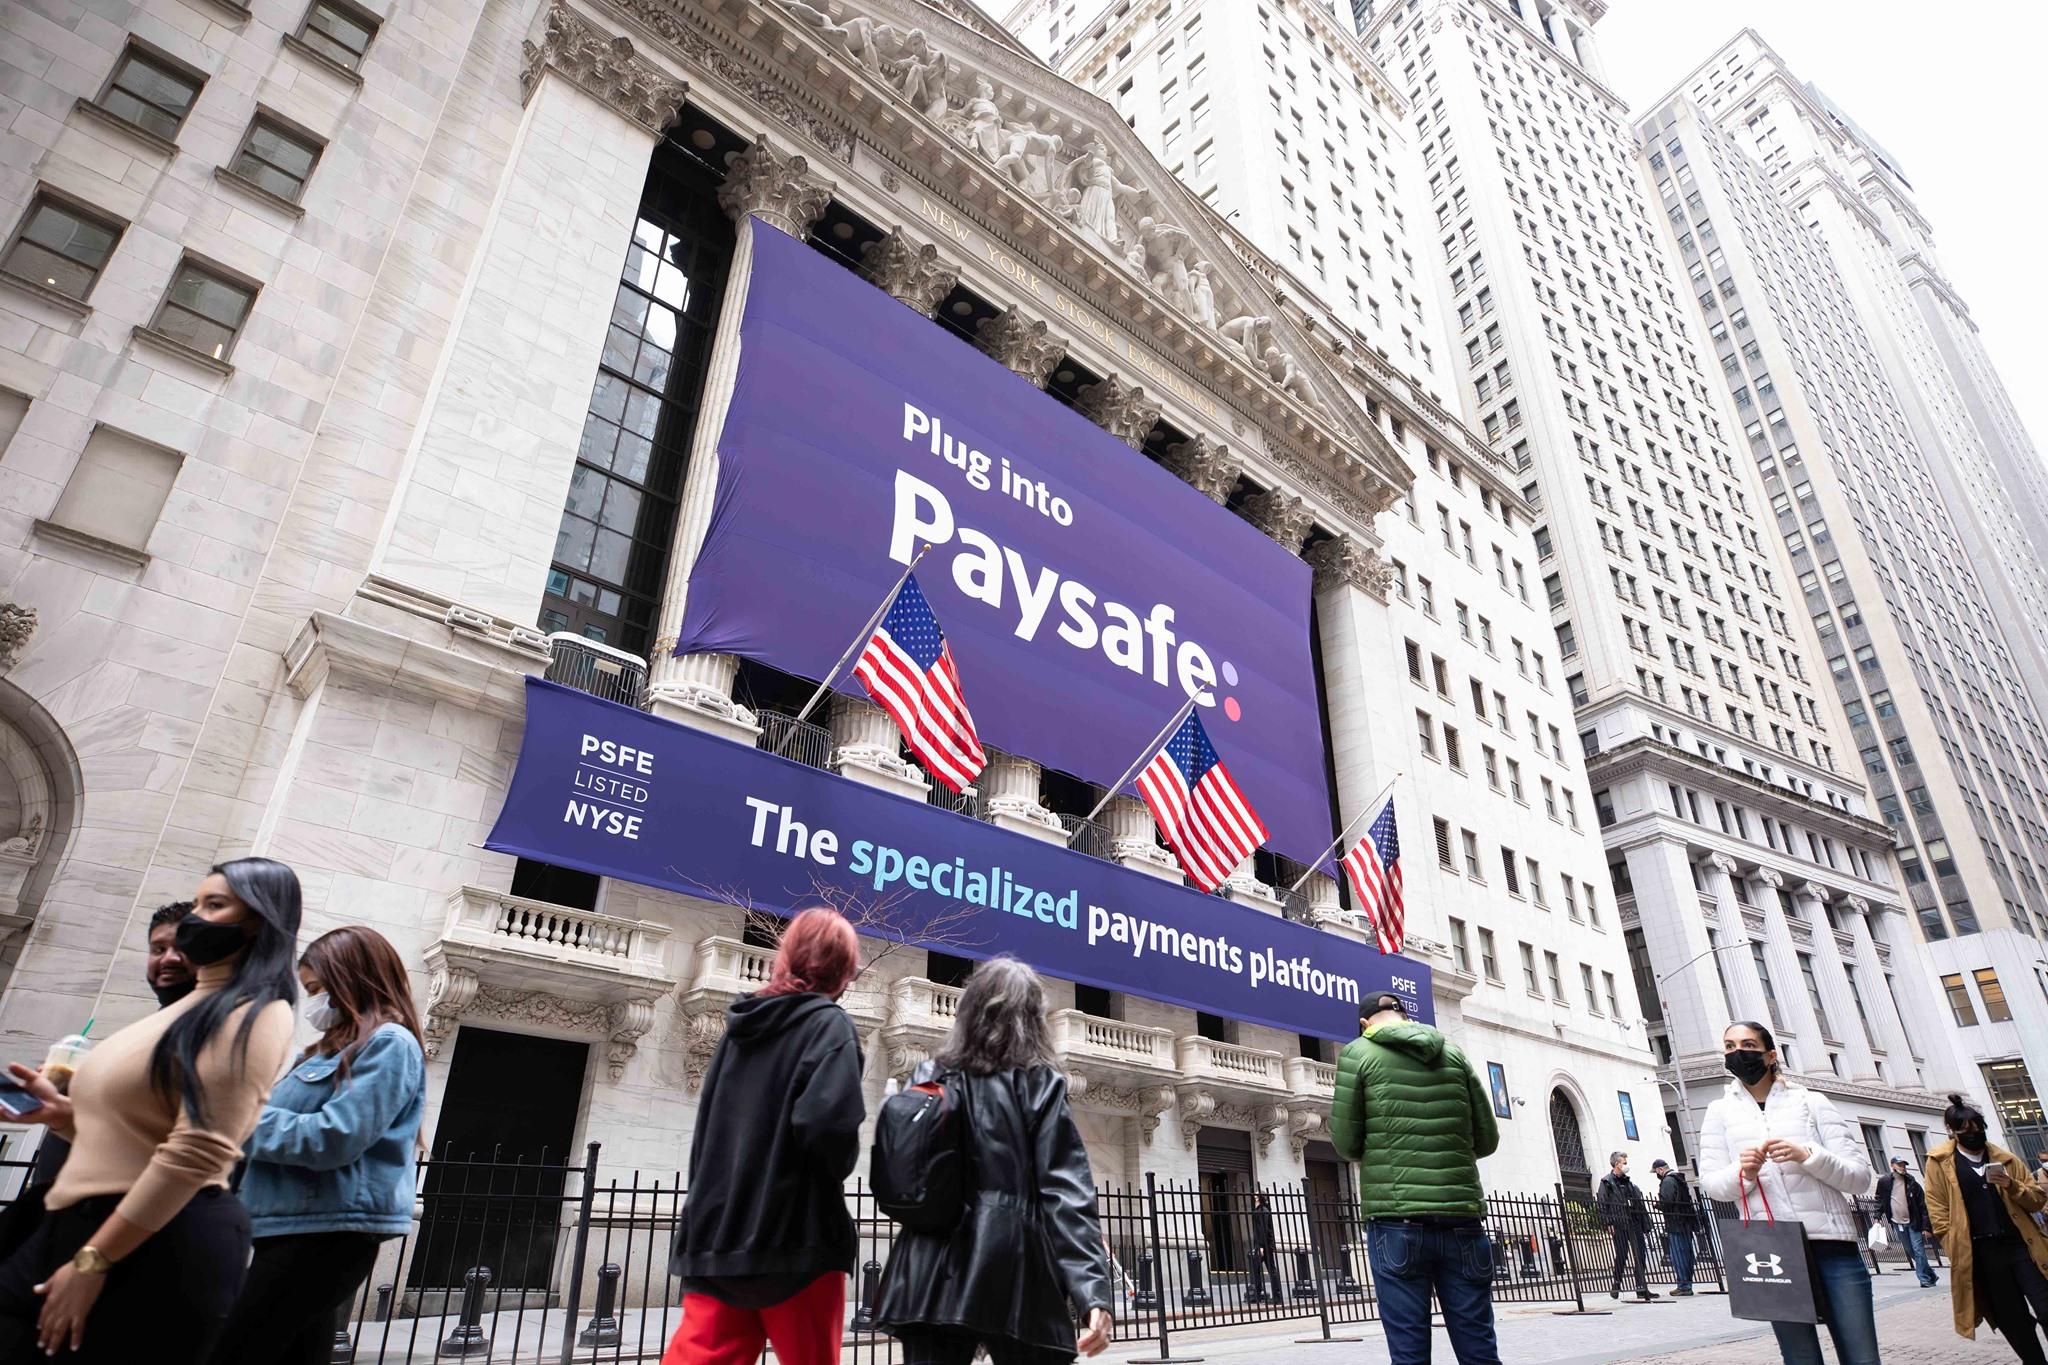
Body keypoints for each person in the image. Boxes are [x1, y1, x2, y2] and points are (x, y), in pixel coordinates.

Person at [0, 859, 300, 1362]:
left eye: (214, 905)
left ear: (258, 919)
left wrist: (94, 1262)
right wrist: (62, 1116)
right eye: (197, 902)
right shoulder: (185, 1010)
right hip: (78, 1225)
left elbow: (197, 1150)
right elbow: (140, 1135)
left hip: (152, 1244)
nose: (193, 921)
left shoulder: (255, 1011)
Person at [874, 955, 1114, 1364]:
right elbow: (1066, 1192)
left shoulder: (930, 1075)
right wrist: (1091, 1290)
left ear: (969, 1011)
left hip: (928, 1271)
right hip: (1014, 1270)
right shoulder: (1039, 1083)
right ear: (1033, 1019)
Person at [209, 926, 429, 1365]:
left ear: (351, 980)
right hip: (289, 1226)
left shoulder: (389, 1043)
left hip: (326, 1233)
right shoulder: (318, 1054)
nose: (312, 1002)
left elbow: (335, 1138)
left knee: (230, 1351)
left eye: (317, 989)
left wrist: (241, 1114)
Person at [666, 908, 868, 1365]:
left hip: (718, 1236)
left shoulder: (738, 1027)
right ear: (842, 970)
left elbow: (709, 1126)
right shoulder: (829, 1026)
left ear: (788, 956)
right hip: (796, 1241)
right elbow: (829, 1130)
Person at [0, 902, 199, 1262]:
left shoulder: (207, 1034)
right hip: (63, 1212)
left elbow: (170, 1153)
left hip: (112, 1233)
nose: (167, 959)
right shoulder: (151, 1028)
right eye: (157, 949)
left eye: (182, 949)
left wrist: (93, 1263)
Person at [1330, 990, 1501, 1365]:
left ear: (1364, 1024)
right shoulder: (1453, 1053)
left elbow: (1344, 1142)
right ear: (1405, 1016)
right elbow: (1487, 1139)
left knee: (1409, 1352)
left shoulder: (1358, 1053)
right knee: (1479, 1348)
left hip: (1397, 1221)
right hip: (1463, 1221)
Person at [1698, 1020, 1876, 1365]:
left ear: (1770, 1054)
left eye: (1748, 1045)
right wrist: (1744, 1172)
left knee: (1862, 1357)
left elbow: (1858, 1178)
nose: (1738, 1053)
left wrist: (1807, 1155)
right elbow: (1714, 1185)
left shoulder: (1811, 1102)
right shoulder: (1719, 1112)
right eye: (1730, 1046)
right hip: (1773, 1253)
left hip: (1833, 1248)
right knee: (1800, 1358)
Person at [1923, 1093, 2048, 1364]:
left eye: (1978, 1129)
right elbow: (1938, 1212)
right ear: (1952, 1131)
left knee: (2046, 1307)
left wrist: (2010, 1185)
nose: (1973, 1135)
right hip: (1983, 1254)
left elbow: (2038, 1200)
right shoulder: (1939, 1164)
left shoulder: (2007, 1160)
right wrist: (1953, 1245)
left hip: (2021, 1247)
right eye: (1966, 1131)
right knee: (2012, 1319)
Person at [1597, 1151, 1657, 1302]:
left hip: (1634, 1222)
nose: (1626, 1165)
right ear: (1617, 1164)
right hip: (1619, 1224)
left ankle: (1641, 1286)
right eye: (1624, 1163)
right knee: (1622, 1255)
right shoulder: (1606, 1182)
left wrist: (1645, 1223)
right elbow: (1602, 1204)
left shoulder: (1628, 1182)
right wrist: (1608, 1223)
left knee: (1640, 1254)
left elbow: (1638, 1203)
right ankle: (1616, 1283)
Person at [1875, 1156, 1939, 1288]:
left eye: (1904, 1165)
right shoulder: (1884, 1182)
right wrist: (1877, 1217)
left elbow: (1923, 1207)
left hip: (1914, 1223)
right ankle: (1930, 1274)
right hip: (1897, 1223)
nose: (1903, 1167)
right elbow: (1880, 1199)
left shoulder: (1913, 1183)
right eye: (1899, 1165)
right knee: (1910, 1251)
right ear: (1893, 1166)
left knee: (1918, 1250)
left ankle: (1924, 1279)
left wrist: (1926, 1227)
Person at [1651, 1159, 1699, 1296]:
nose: (1656, 1174)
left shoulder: (1668, 1181)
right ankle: (1687, 1283)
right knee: (1687, 1254)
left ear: (1660, 1170)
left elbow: (1667, 1202)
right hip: (1686, 1222)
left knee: (1678, 1255)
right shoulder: (1679, 1179)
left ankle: (1683, 1285)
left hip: (1676, 1223)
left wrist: (1657, 1205)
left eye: (1656, 1172)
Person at [1249, 1191, 1281, 1304]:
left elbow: (1263, 1229)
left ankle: (1274, 1296)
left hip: (1263, 1246)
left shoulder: (1262, 1211)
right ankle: (1260, 1295)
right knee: (1260, 1269)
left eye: (1256, 1195)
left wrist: (1261, 1246)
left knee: (1263, 1270)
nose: (1254, 1196)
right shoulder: (1262, 1210)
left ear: (1259, 1198)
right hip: (1265, 1245)